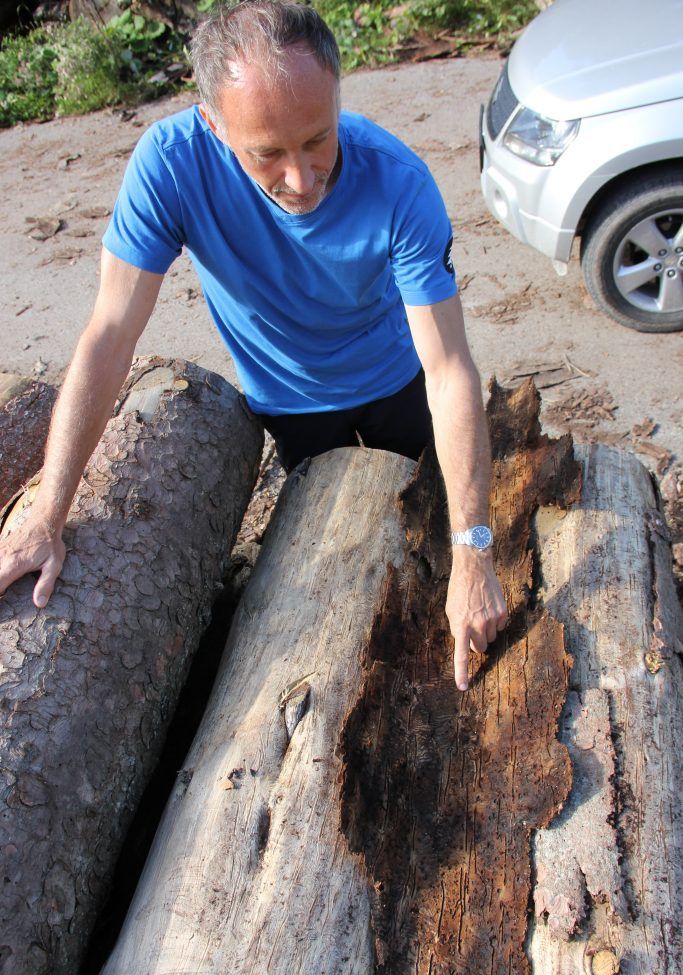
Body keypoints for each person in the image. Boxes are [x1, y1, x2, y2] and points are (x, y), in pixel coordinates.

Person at [0, 0, 506, 691]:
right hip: (288, 403)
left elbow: (449, 370)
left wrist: (474, 552)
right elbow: (109, 335)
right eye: (266, 153)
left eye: (317, 140)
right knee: (338, 555)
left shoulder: (398, 183)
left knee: (429, 526)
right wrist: (47, 513)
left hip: (398, 381)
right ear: (213, 124)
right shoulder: (173, 165)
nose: (300, 179)